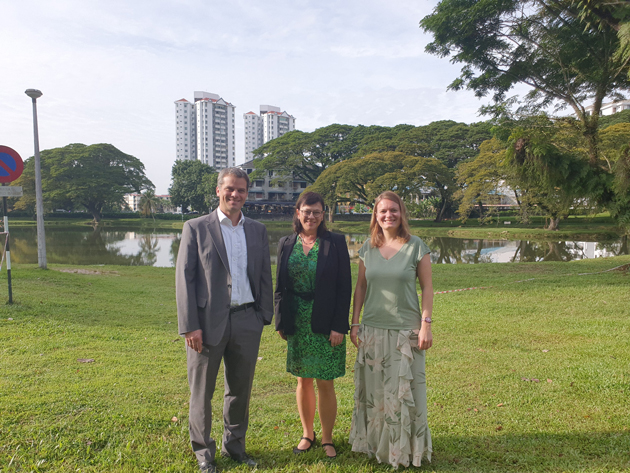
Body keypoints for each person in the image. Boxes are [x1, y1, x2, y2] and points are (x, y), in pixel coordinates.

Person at [176, 167, 273, 473]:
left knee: (240, 390)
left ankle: (235, 446)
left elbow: (263, 275)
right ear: (218, 190)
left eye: (241, 190)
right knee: (202, 392)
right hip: (206, 325)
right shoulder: (196, 227)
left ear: (247, 194)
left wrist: (263, 315)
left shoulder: (256, 230)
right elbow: (185, 278)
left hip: (247, 321)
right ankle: (204, 453)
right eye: (230, 189)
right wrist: (190, 325)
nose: (235, 195)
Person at [349, 191, 433, 468]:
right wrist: (355, 322)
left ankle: (406, 449)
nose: (388, 215)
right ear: (375, 215)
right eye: (382, 211)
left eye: (393, 210)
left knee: (404, 393)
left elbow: (427, 288)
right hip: (372, 330)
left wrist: (425, 325)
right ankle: (376, 445)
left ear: (402, 213)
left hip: (404, 333)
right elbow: (360, 287)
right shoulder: (367, 248)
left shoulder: (416, 246)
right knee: (375, 394)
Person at [275, 192, 352, 459]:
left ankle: (328, 438)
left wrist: (339, 326)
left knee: (325, 381)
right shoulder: (286, 243)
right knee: (303, 380)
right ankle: (307, 433)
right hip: (296, 319)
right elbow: (279, 287)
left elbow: (345, 288)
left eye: (316, 212)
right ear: (297, 212)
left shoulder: (336, 242)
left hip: (326, 320)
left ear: (323, 215)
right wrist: (280, 320)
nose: (311, 216)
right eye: (306, 211)